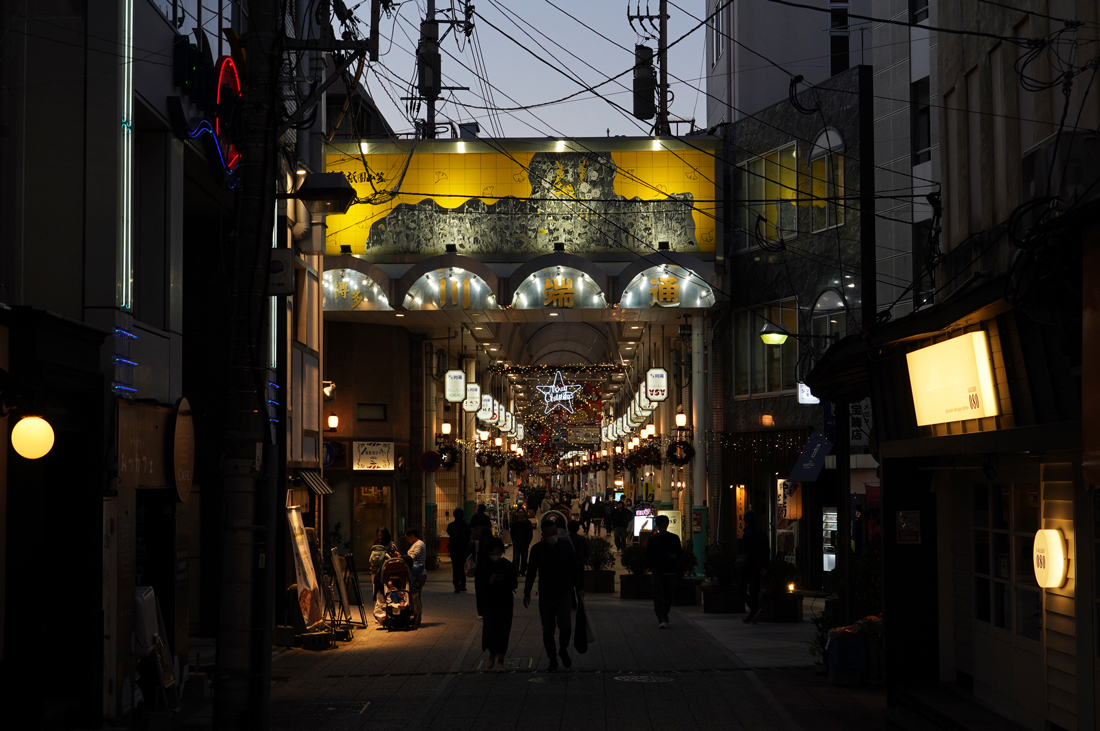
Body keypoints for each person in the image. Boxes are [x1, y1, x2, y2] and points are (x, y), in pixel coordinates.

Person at [524, 518, 583, 672]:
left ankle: (563, 648)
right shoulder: (537, 550)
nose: (553, 536)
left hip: (564, 592)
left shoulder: (565, 546)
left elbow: (573, 568)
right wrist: (527, 592)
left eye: (555, 532)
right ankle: (552, 659)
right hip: (546, 594)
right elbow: (531, 572)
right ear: (543, 535)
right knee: (548, 629)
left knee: (565, 624)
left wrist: (579, 588)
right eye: (549, 534)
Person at [479, 537, 518, 670]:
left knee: (503, 630)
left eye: (498, 552)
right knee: (490, 630)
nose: (496, 555)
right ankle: (492, 653)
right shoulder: (484, 566)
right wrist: (490, 581)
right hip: (489, 603)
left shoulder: (507, 565)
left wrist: (504, 579)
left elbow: (514, 584)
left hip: (505, 603)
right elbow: (480, 587)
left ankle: (500, 660)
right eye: (493, 552)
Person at [646, 515, 683, 628]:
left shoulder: (674, 538)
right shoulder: (653, 539)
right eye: (659, 526)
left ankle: (664, 616)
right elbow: (648, 555)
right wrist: (651, 568)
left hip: (670, 571)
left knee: (667, 596)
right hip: (658, 571)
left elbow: (680, 554)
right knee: (659, 596)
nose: (661, 528)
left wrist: (674, 557)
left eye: (663, 526)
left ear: (666, 526)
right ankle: (661, 618)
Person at [741, 509, 769, 624]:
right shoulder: (762, 533)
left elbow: (746, 552)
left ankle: (754, 610)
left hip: (749, 566)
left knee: (741, 588)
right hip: (759, 567)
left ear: (745, 520)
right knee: (754, 590)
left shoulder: (747, 534)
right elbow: (767, 551)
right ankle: (754, 614)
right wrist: (765, 566)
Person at [446, 508, 472, 593]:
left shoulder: (451, 526)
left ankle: (456, 585)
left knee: (455, 567)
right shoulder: (467, 526)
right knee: (463, 566)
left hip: (454, 548)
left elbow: (449, 533)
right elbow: (469, 537)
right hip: (464, 548)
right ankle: (463, 585)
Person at [511, 508, 533, 576]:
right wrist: (514, 540)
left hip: (524, 543)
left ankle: (523, 571)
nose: (520, 514)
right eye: (519, 512)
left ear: (524, 513)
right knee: (516, 557)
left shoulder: (528, 523)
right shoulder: (514, 523)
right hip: (516, 543)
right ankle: (516, 571)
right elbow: (512, 532)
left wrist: (528, 541)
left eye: (522, 512)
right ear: (517, 514)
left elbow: (530, 533)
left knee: (524, 557)